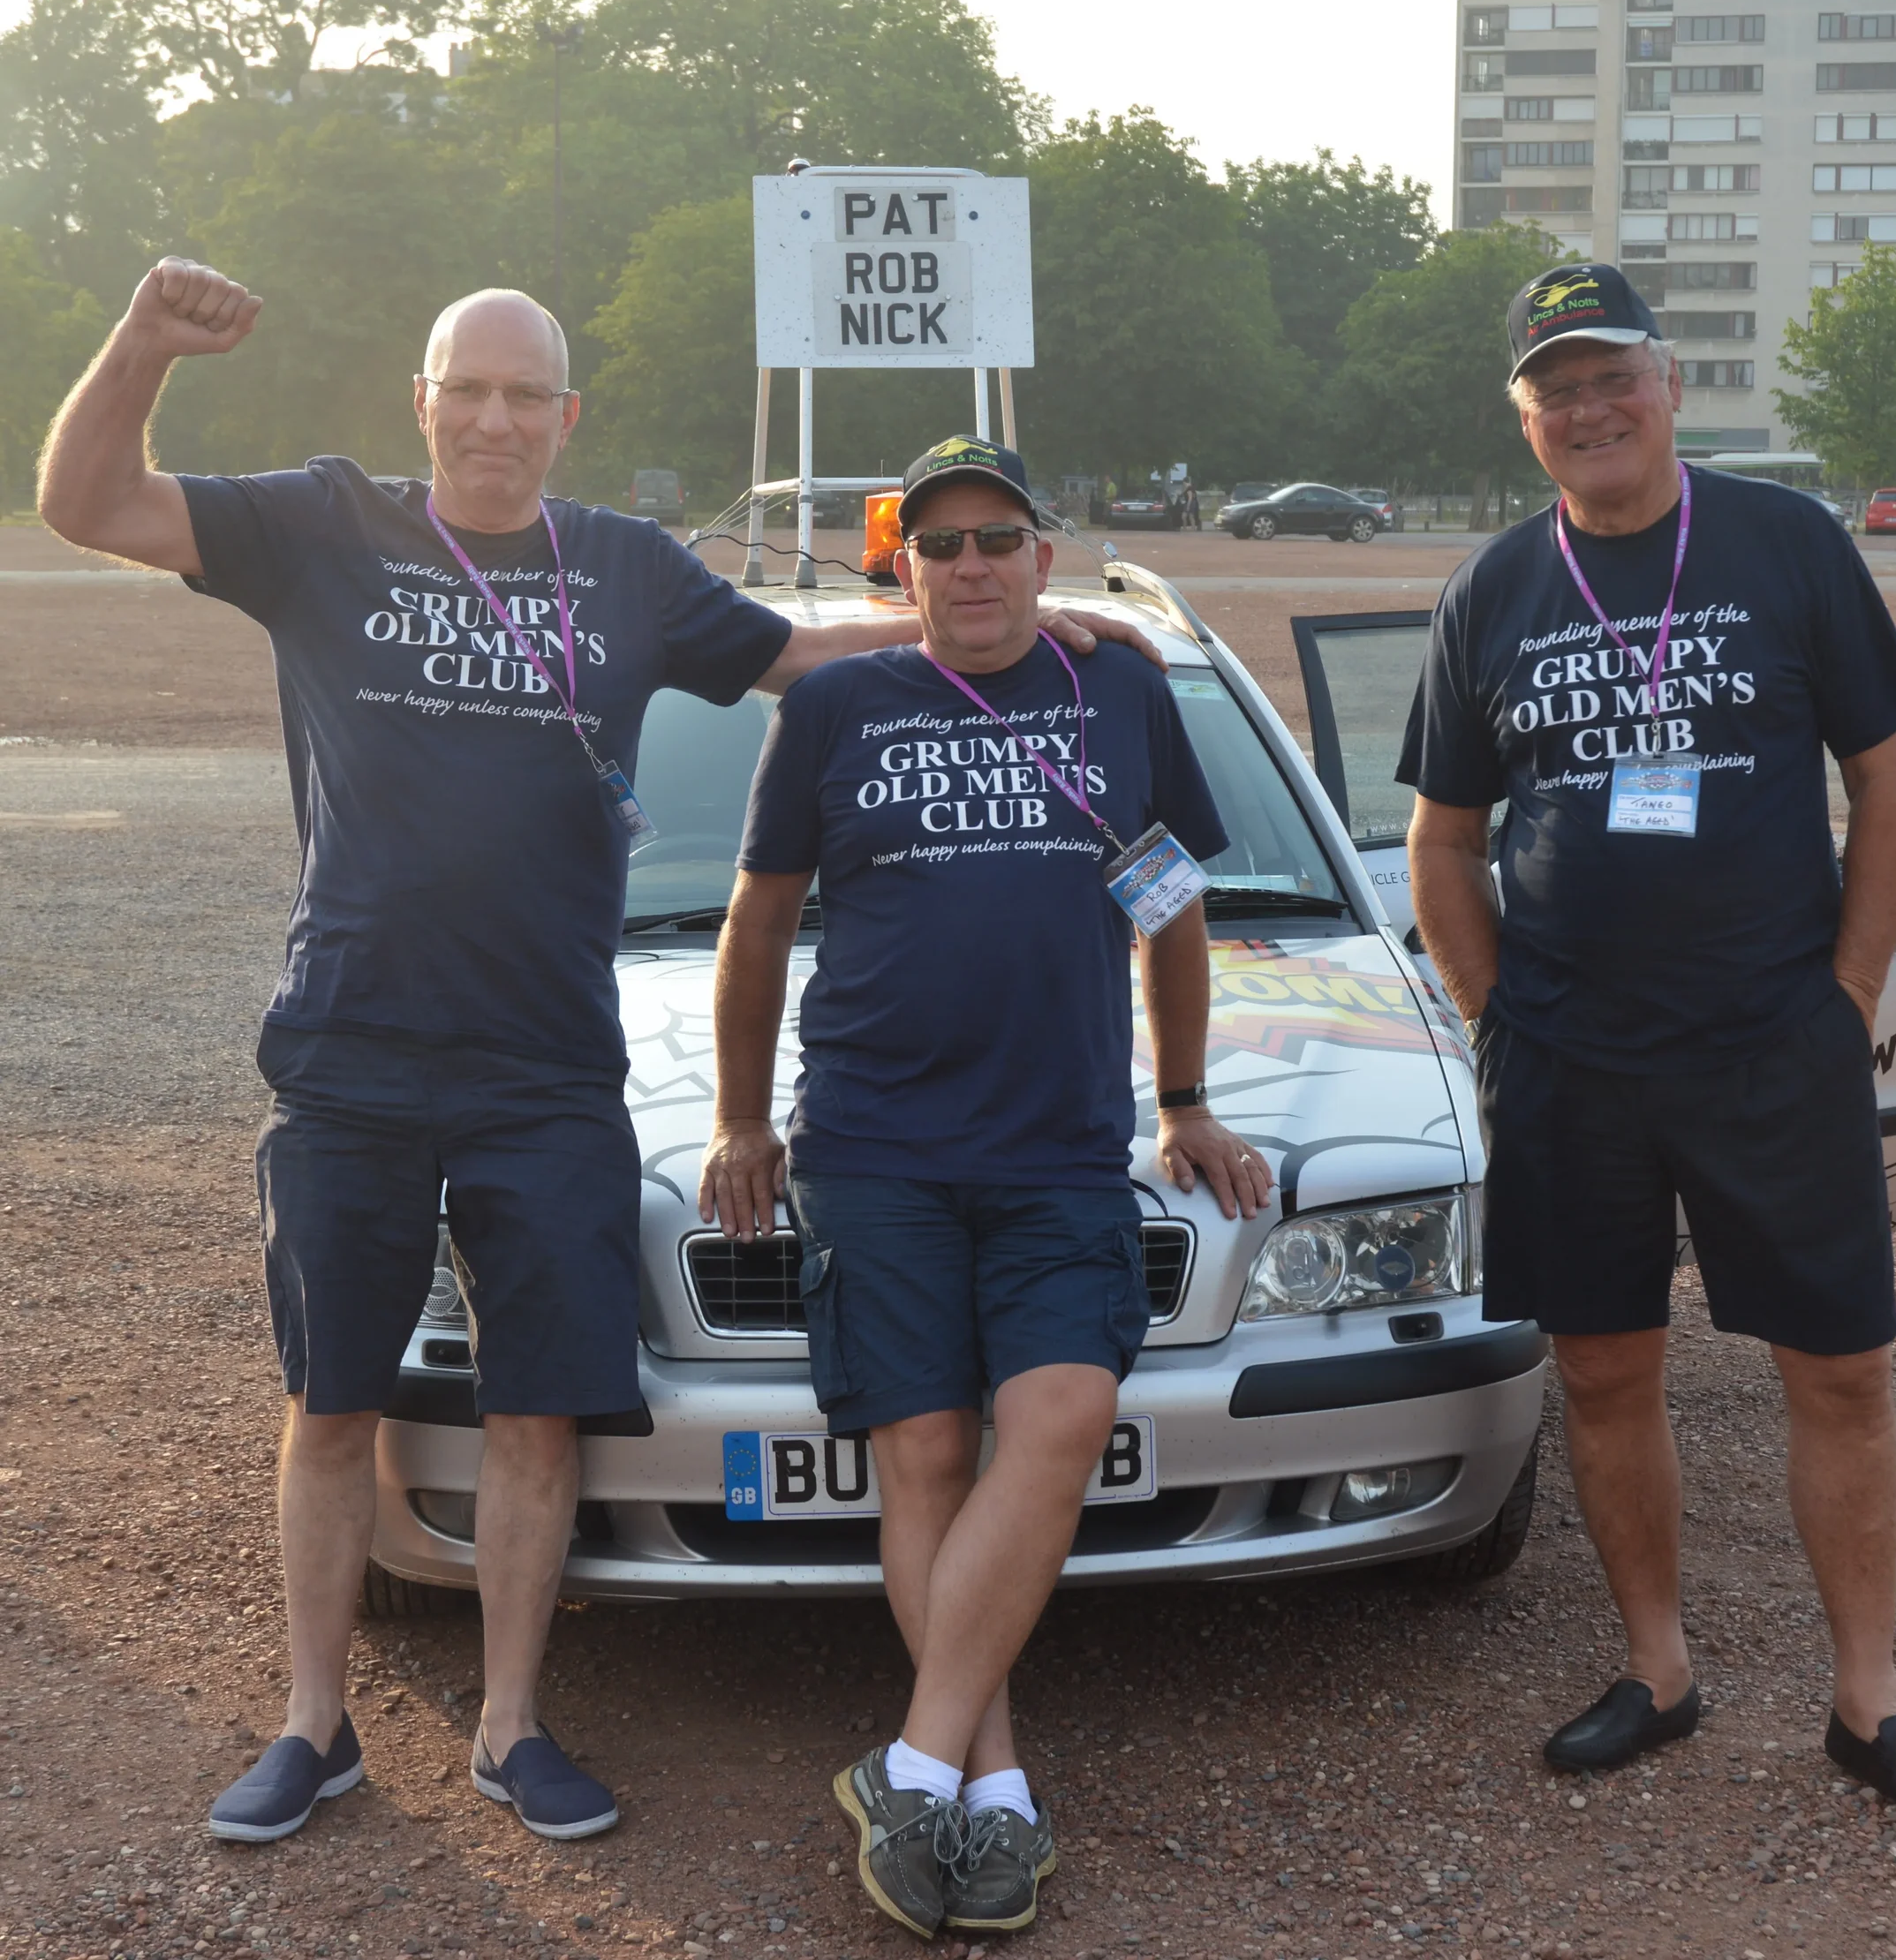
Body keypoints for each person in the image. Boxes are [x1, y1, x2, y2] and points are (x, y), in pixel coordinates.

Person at [35, 260, 1156, 1847]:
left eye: (523, 396)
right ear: (422, 403)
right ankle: (312, 1723)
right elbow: (90, 502)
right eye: (464, 390)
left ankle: (509, 1727)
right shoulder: (324, 524)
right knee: (333, 1397)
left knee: (536, 1411)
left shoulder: (624, 568)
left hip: (549, 1059)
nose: (493, 420)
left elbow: (802, 652)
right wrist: (144, 342)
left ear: (568, 419)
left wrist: (1027, 614)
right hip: (349, 1042)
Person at [1398, 263, 1896, 1821]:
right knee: (1601, 1370)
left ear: (1670, 387)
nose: (1590, 409)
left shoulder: (1785, 543)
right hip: (1573, 1061)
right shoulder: (1495, 590)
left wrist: (1849, 994)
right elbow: (1443, 837)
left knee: (1840, 1370)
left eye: (1612, 377)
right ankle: (1657, 1670)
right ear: (1527, 422)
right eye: (1556, 390)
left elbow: (1888, 778)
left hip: (1768, 1042)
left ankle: (1871, 1697)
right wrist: (1491, 1014)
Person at [698, 435, 1275, 1935]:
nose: (972, 567)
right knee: (928, 1459)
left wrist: (1186, 1096)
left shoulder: (1123, 690)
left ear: (1042, 552)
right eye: (941, 544)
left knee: (1064, 1415)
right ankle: (988, 1791)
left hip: (1058, 1149)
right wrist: (743, 1121)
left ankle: (907, 1763)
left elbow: (1171, 910)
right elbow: (756, 932)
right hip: (876, 1150)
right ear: (903, 567)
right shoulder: (833, 706)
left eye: (998, 539)